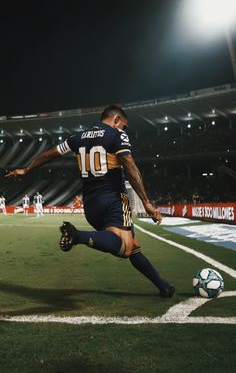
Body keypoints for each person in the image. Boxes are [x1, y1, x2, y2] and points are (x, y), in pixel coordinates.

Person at [6, 105, 175, 297]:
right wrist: (146, 202)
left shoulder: (77, 137)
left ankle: (164, 287)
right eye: (124, 126)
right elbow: (130, 167)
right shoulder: (117, 135)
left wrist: (26, 170)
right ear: (117, 119)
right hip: (114, 199)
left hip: (91, 205)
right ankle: (78, 236)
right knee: (126, 247)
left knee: (133, 245)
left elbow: (48, 154)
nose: (124, 130)